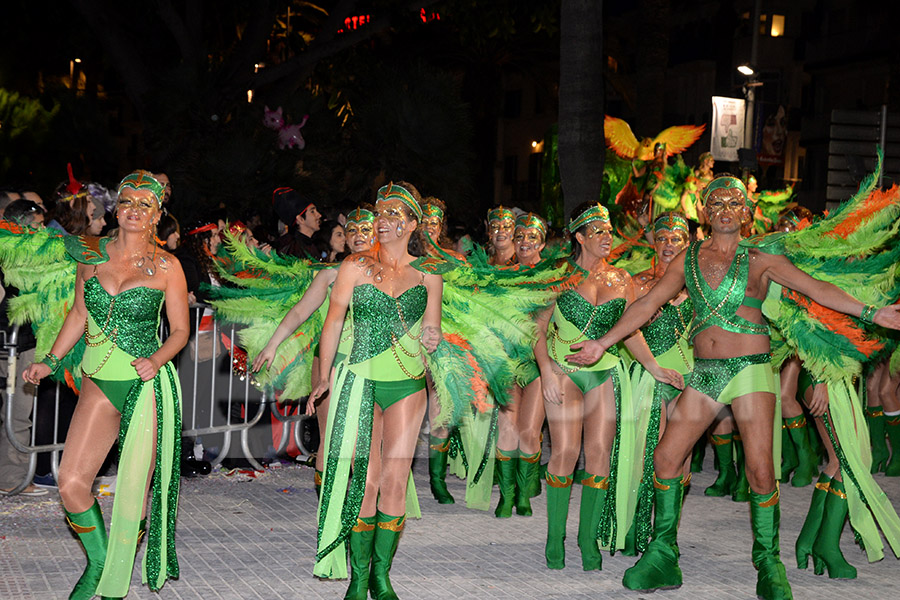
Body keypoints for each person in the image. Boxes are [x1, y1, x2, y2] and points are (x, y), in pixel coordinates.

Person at [565, 175, 900, 599]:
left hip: (751, 372)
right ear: (705, 211)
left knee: (761, 471)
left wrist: (873, 313)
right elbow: (646, 305)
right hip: (705, 374)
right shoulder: (686, 260)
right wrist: (602, 342)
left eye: (733, 202)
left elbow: (816, 288)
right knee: (666, 459)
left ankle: (768, 561)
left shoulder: (761, 259)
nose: (724, 207)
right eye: (716, 201)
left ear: (746, 211)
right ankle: (664, 554)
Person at [22, 170, 189, 599]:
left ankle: (112, 583)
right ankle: (99, 559)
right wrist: (49, 362)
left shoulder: (168, 266)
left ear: (157, 215)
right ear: (116, 207)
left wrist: (156, 359)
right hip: (98, 381)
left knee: (133, 492)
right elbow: (79, 314)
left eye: (144, 204)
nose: (134, 209)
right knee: (71, 483)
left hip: (146, 386)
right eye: (128, 200)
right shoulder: (89, 254)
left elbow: (180, 332)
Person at [309, 182, 442, 600]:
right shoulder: (354, 266)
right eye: (380, 214)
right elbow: (333, 322)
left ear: (412, 224)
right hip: (359, 381)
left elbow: (432, 325)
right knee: (364, 482)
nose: (382, 222)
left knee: (395, 481)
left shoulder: (430, 274)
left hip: (407, 382)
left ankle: (382, 577)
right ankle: (359, 576)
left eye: (392, 216)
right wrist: (325, 375)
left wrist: (434, 336)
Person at [534, 203, 683, 570]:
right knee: (565, 453)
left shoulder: (621, 279)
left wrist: (654, 366)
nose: (607, 237)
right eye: (598, 231)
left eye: (609, 231)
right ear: (580, 237)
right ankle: (555, 539)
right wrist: (547, 374)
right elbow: (536, 330)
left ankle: (588, 541)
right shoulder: (557, 275)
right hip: (564, 371)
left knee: (599, 454)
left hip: (605, 372)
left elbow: (629, 329)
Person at [251, 207, 377, 493]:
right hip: (331, 363)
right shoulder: (331, 275)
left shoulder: (390, 276)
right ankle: (328, 509)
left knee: (364, 441)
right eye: (351, 230)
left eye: (365, 229)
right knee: (332, 438)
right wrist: (273, 344)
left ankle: (361, 510)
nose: (358, 236)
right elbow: (299, 312)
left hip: (373, 364)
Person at [494, 213, 548, 518]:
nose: (525, 242)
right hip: (508, 361)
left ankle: (524, 493)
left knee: (529, 432)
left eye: (531, 237)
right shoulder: (503, 277)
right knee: (506, 429)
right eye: (520, 236)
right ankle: (506, 495)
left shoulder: (553, 277)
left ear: (541, 241)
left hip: (538, 365)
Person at [0, 201, 48, 497]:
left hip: (25, 342)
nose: (43, 230)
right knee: (16, 413)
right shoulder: (9, 255)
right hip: (12, 344)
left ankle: (13, 474)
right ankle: (13, 476)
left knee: (18, 413)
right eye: (39, 224)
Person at [273, 187, 322, 259]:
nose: (319, 215)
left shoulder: (310, 244)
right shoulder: (293, 251)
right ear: (300, 219)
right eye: (312, 212)